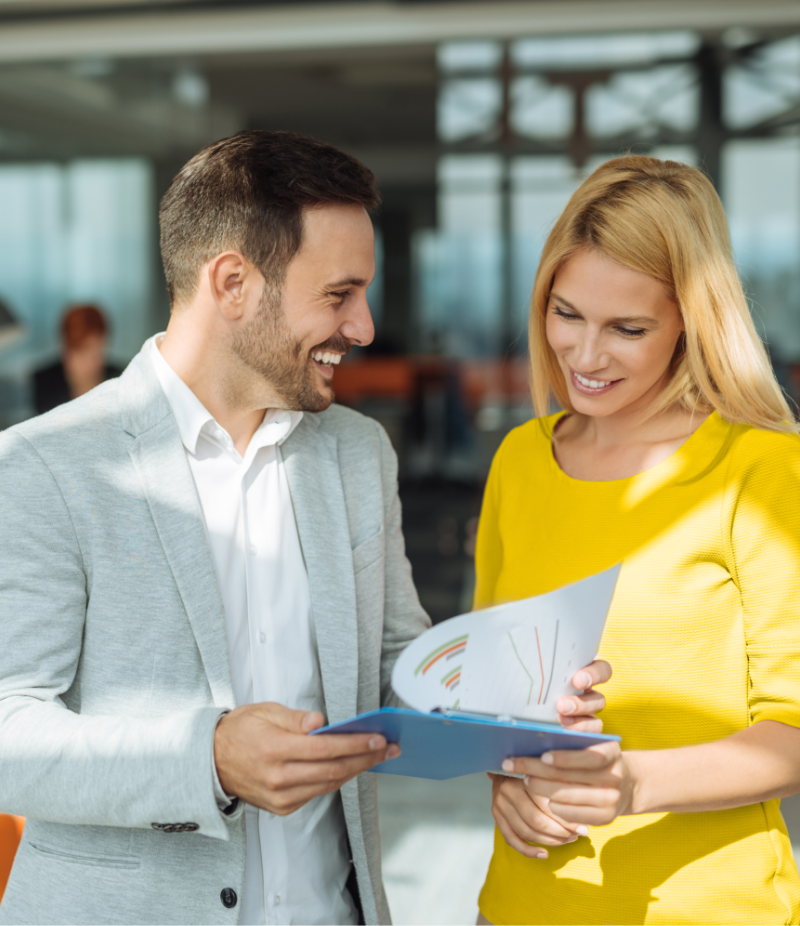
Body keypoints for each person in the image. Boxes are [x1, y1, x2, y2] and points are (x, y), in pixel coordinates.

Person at [0, 130, 607, 926]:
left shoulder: (358, 454)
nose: (361, 327)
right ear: (232, 283)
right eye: (338, 294)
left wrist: (513, 699)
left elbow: (395, 666)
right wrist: (209, 758)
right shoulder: (46, 465)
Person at [474, 156, 800, 926]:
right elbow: (488, 695)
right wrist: (504, 780)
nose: (585, 357)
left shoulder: (762, 468)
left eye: (627, 328)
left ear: (691, 320)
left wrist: (633, 784)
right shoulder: (520, 460)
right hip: (520, 905)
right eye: (567, 314)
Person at [32, 304, 122, 414]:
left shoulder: (121, 380)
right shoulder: (45, 383)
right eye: (83, 353)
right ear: (66, 352)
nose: (92, 362)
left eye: (97, 352)